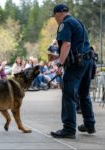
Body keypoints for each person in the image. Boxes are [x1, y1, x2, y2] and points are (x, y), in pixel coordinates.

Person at [50, 3, 96, 139]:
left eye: (55, 17)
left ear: (58, 13)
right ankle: (89, 124)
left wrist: (60, 64)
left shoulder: (65, 24)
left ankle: (69, 129)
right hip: (88, 61)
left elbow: (67, 44)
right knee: (84, 94)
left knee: (69, 94)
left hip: (76, 64)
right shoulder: (77, 22)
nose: (56, 20)